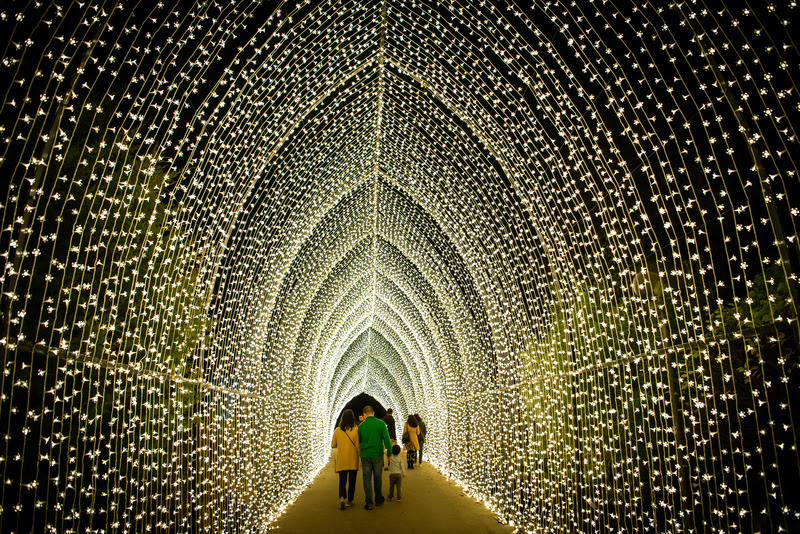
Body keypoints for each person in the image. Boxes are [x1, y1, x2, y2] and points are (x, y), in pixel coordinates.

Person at [357, 405, 392, 510]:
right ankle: (378, 499)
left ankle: (368, 502)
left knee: (366, 479)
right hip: (377, 454)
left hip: (366, 455)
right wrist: (389, 454)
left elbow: (360, 440)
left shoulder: (361, 426)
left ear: (364, 414)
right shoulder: (381, 424)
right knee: (378, 478)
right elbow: (387, 439)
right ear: (373, 413)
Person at [331, 409, 359, 509]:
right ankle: (350, 500)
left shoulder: (337, 430)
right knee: (352, 481)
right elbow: (357, 445)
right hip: (352, 459)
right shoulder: (355, 430)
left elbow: (333, 444)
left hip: (342, 460)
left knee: (342, 480)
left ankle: (342, 497)